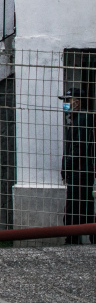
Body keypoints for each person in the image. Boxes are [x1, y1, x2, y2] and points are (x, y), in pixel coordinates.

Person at [61, 86, 96, 243]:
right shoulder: (75, 118)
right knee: (83, 207)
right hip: (79, 171)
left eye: (67, 100)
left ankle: (72, 239)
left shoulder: (83, 118)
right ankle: (78, 238)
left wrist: (67, 165)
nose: (65, 104)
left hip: (80, 172)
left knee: (74, 209)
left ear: (76, 102)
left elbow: (79, 147)